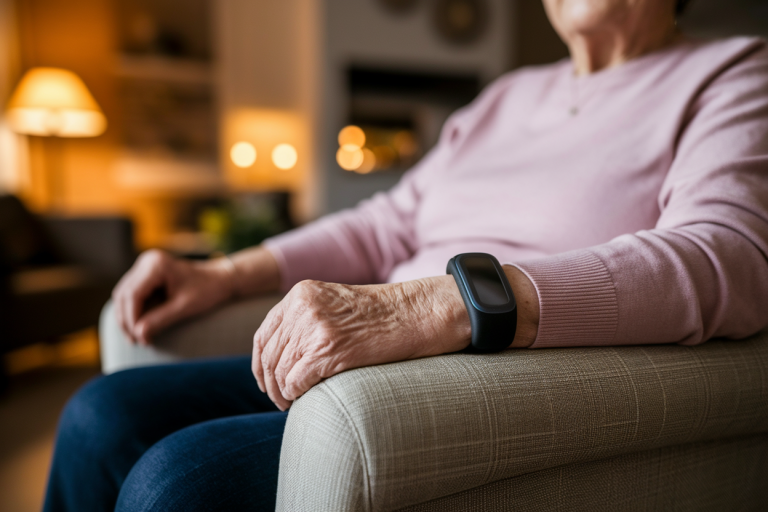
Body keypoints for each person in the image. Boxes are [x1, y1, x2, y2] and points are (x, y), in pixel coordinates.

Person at [45, 0, 768, 509]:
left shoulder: (733, 74)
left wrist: (435, 303)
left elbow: (726, 258)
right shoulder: (506, 98)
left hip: (465, 375)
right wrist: (225, 271)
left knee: (177, 483)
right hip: (368, 352)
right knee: (98, 416)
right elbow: (385, 223)